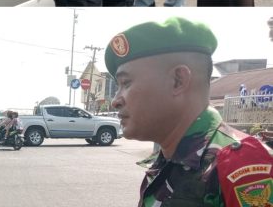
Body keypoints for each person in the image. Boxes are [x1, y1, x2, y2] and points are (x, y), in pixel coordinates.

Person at [105, 17, 273, 206]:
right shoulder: (169, 159)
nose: (115, 101)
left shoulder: (240, 165)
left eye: (126, 83)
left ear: (178, 80)